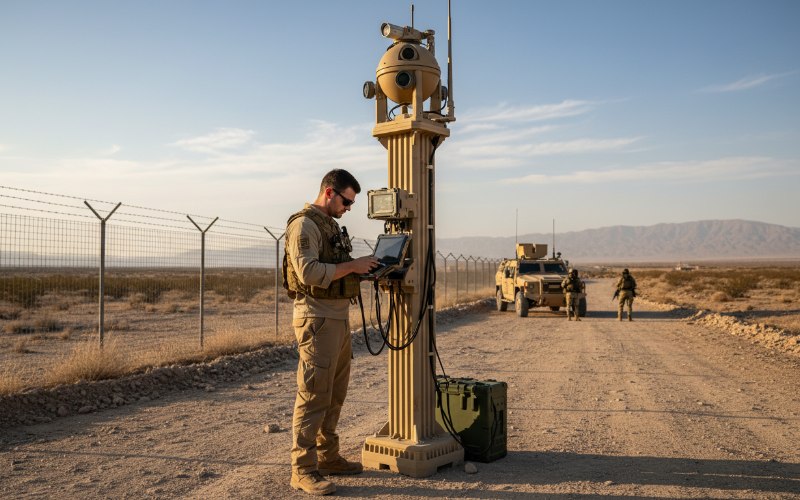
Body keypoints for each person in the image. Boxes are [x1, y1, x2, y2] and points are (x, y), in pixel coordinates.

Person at [283, 169, 379, 496]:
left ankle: (328, 457)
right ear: (329, 192)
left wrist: (367, 270)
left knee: (335, 394)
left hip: (337, 318)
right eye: (346, 201)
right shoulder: (304, 225)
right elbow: (308, 271)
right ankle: (303, 469)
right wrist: (354, 266)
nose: (348, 208)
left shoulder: (329, 225)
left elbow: (337, 269)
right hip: (317, 318)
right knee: (313, 394)